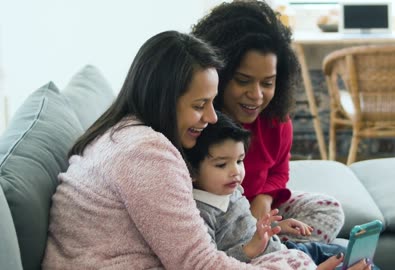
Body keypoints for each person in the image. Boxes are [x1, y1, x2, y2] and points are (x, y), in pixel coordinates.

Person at [41, 30, 367, 270]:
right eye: (200, 105)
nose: (211, 118)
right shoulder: (145, 153)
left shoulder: (121, 135)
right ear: (164, 99)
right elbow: (198, 264)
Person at [192, 0, 345, 244]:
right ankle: (267, 250)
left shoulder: (276, 120)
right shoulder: (199, 120)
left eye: (267, 83)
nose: (257, 95)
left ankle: (273, 248)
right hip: (217, 217)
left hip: (259, 212)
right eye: (243, 80)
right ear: (219, 74)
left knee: (328, 209)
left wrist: (264, 198)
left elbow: (279, 171)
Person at [184, 111, 346, 265]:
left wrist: (276, 229)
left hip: (283, 249)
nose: (236, 172)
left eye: (240, 161)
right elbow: (212, 263)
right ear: (192, 171)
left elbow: (248, 228)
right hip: (266, 263)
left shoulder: (234, 190)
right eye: (221, 165)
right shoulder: (199, 214)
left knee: (345, 252)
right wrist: (249, 250)